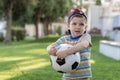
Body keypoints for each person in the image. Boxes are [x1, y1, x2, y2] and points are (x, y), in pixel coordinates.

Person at [46, 8, 92, 80]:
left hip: (83, 77)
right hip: (68, 77)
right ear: (68, 26)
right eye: (74, 23)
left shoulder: (85, 37)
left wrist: (66, 52)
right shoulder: (64, 39)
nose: (78, 26)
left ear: (85, 27)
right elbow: (50, 47)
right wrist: (50, 50)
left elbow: (84, 45)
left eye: (81, 24)